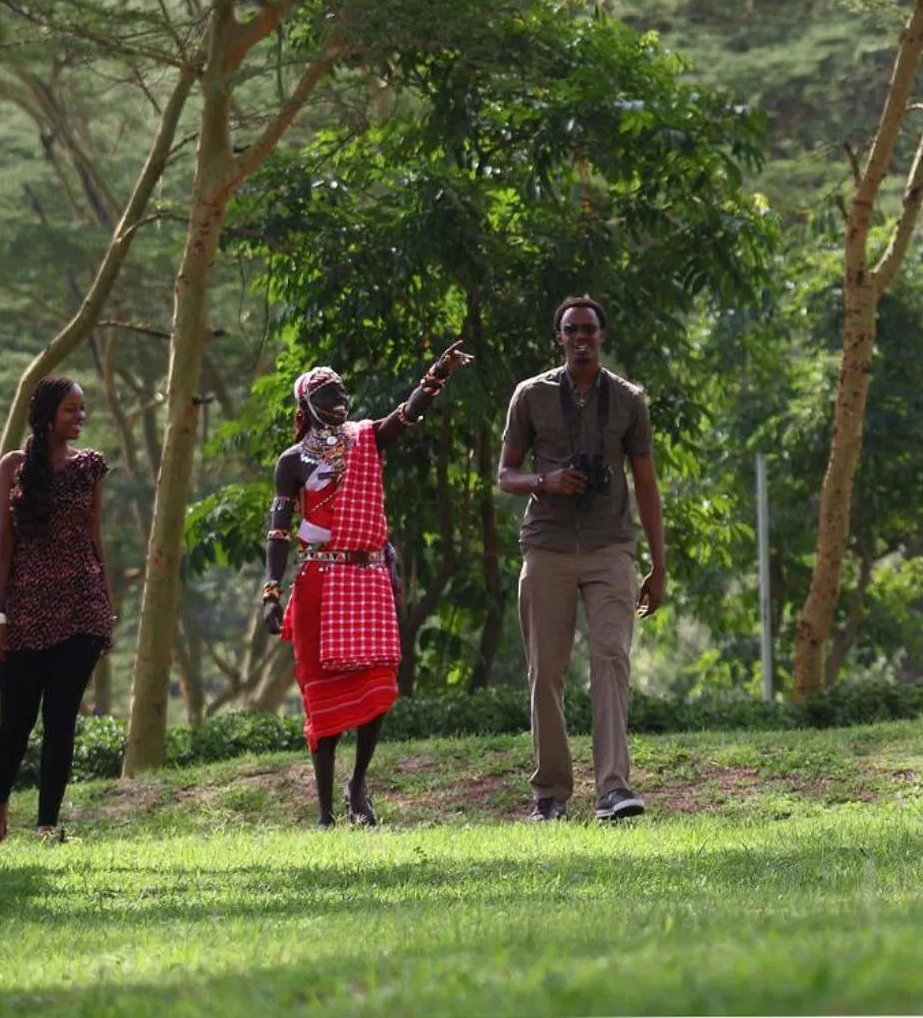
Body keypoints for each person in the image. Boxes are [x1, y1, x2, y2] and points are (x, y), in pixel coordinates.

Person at [261, 342, 474, 827]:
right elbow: (277, 532)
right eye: (327, 393)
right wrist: (271, 592)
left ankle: (359, 785)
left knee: (379, 683)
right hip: (319, 581)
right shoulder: (292, 462)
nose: (339, 399)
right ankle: (325, 811)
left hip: (369, 576)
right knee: (322, 693)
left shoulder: (366, 439)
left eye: (342, 391)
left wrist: (436, 374)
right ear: (306, 407)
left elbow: (406, 415)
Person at [497, 295, 666, 823]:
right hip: (546, 544)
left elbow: (645, 483)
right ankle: (550, 795)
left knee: (610, 658)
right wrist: (545, 482)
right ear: (559, 337)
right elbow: (505, 475)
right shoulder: (531, 396)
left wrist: (657, 565)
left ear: (602, 335)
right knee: (546, 670)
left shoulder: (628, 400)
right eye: (571, 329)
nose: (580, 337)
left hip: (610, 546)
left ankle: (614, 789)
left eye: (589, 329)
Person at [0, 375, 114, 844]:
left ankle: (46, 825)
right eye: (70, 410)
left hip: (81, 609)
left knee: (61, 719)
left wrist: (107, 609)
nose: (80, 417)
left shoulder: (90, 466)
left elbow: (95, 536)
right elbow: (3, 542)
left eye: (83, 409)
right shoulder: (13, 467)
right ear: (46, 415)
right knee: (16, 719)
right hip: (22, 613)